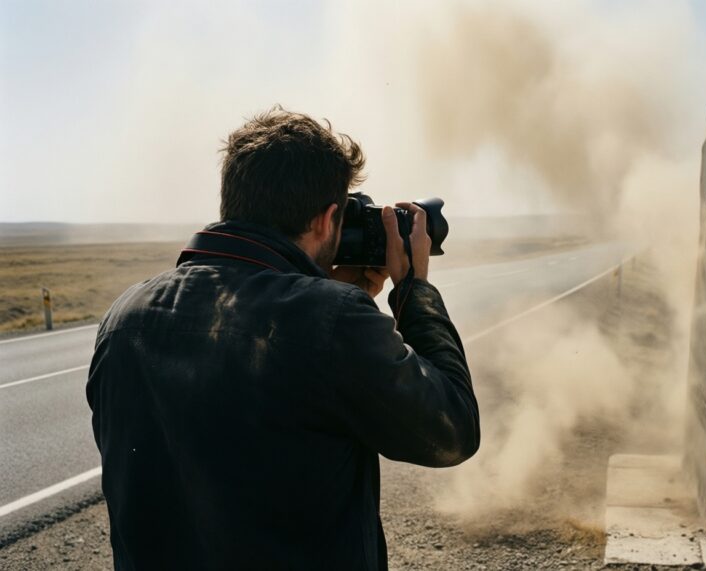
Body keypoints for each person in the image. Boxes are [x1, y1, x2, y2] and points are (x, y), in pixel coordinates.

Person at [86, 106, 480, 570]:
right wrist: (412, 287)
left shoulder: (123, 318)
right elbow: (452, 430)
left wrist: (329, 295)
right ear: (325, 219)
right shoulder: (329, 322)